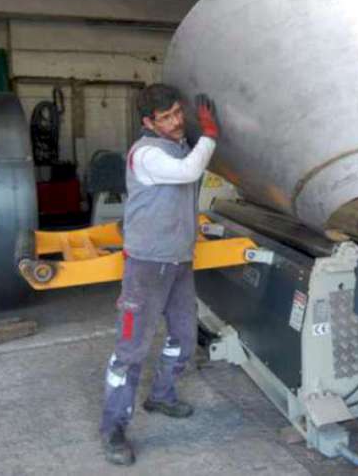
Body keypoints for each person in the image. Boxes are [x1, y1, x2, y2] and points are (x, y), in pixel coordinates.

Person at [99, 84, 220, 466]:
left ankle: (162, 395)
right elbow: (188, 172)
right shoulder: (147, 153)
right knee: (131, 351)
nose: (175, 121)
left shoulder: (179, 145)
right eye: (165, 118)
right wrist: (210, 134)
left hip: (179, 261)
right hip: (147, 266)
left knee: (184, 337)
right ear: (148, 122)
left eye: (177, 113)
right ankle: (113, 429)